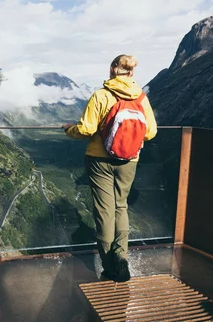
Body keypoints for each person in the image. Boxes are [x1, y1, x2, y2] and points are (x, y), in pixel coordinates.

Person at [62, 54, 157, 282]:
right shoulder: (142, 99)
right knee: (121, 207)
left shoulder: (101, 96)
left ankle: (109, 267)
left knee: (104, 212)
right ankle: (121, 257)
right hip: (130, 160)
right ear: (131, 73)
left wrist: (68, 129)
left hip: (99, 160)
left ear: (112, 69)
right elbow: (151, 132)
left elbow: (85, 129)